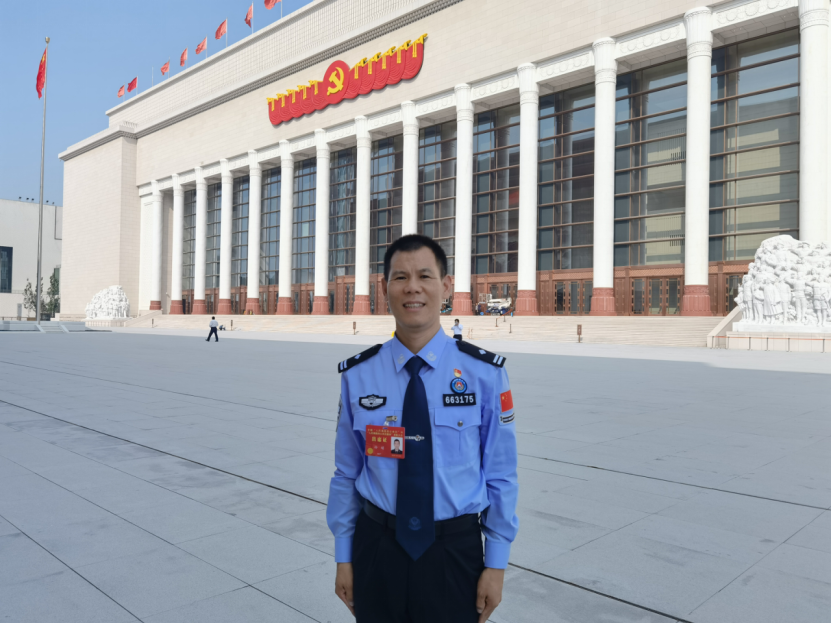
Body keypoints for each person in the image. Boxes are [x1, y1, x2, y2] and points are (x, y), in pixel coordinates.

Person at [328, 234, 518, 623]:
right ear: (384, 288)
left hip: (455, 552)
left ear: (446, 286)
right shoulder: (358, 375)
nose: (412, 287)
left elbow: (500, 473)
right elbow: (346, 472)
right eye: (400, 277)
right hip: (376, 548)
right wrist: (344, 556)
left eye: (425, 276)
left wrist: (496, 562)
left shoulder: (485, 374)